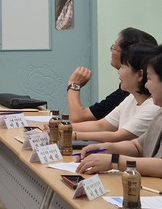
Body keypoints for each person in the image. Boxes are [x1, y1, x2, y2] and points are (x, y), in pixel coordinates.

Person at [76, 48, 162, 177]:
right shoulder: (160, 113)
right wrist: (105, 148)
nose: (146, 85)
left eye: (149, 79)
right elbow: (138, 146)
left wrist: (115, 161)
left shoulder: (154, 108)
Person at [71, 44, 162, 143]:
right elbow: (101, 125)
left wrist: (70, 134)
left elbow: (117, 137)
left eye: (122, 67)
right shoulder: (131, 97)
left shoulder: (153, 107)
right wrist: (62, 127)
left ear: (140, 74)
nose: (119, 72)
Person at [67, 28, 157, 123]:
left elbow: (78, 118)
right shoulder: (130, 97)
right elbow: (102, 126)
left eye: (114, 47)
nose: (111, 51)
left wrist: (74, 85)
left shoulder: (131, 93)